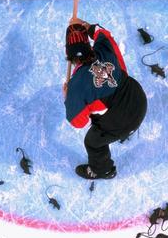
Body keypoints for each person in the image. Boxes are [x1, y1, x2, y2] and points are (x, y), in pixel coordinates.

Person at [63, 18, 147, 180]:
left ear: (68, 54)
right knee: (103, 110)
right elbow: (103, 32)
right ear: (88, 45)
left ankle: (103, 170)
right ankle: (122, 132)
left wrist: (68, 98)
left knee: (93, 141)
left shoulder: (76, 86)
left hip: (127, 119)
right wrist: (88, 26)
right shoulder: (105, 47)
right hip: (138, 98)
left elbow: (77, 122)